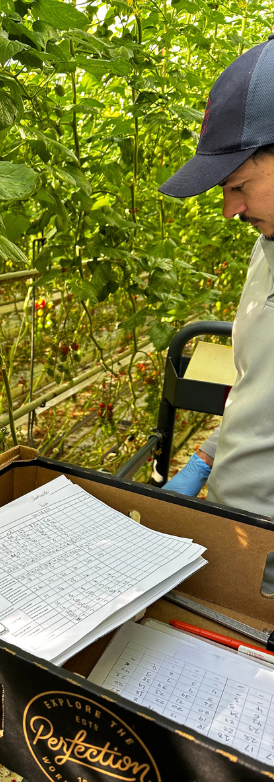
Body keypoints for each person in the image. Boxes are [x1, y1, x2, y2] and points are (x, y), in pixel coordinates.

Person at [157, 35, 274, 516]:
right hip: (237, 537)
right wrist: (207, 458)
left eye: (238, 186)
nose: (230, 210)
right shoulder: (266, 247)